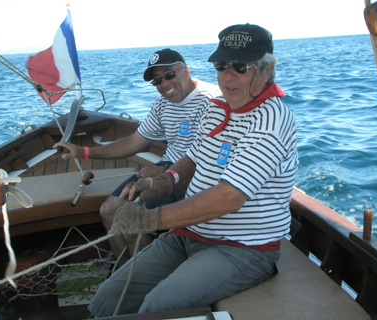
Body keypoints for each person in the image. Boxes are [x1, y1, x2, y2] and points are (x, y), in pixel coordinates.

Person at [87, 24, 299, 317]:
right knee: (105, 300)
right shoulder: (217, 108)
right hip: (188, 235)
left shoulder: (271, 121)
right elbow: (195, 157)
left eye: (240, 66)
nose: (227, 76)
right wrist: (166, 180)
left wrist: (150, 219)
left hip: (241, 249)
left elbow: (229, 198)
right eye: (221, 65)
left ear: (267, 70)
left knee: (156, 308)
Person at [53, 48, 221, 266]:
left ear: (186, 71)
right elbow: (135, 141)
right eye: (157, 81)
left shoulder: (212, 101)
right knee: (108, 209)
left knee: (132, 218)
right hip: (166, 167)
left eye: (169, 75)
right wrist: (85, 152)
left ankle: (140, 279)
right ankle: (123, 275)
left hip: (193, 176)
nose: (164, 84)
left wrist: (161, 171)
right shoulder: (163, 104)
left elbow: (210, 158)